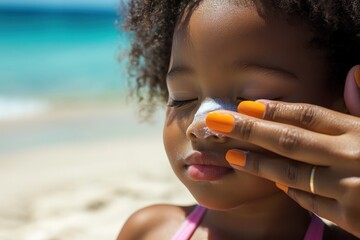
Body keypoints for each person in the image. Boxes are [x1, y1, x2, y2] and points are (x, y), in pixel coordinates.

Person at [117, 0, 360, 239]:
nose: (200, 126)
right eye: (182, 98)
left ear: (343, 108)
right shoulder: (147, 230)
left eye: (251, 98)